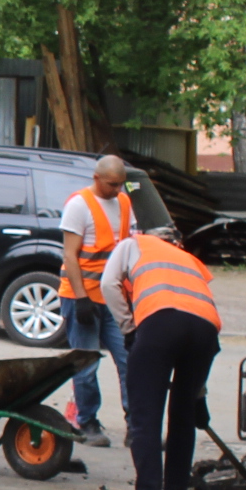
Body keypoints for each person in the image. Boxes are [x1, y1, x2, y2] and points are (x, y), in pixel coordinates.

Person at [100, 228, 223, 490]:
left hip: (161, 322)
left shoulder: (133, 244)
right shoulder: (188, 259)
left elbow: (108, 283)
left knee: (145, 415)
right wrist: (198, 393)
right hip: (207, 331)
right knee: (183, 417)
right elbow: (195, 312)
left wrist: (128, 329)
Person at [56, 154, 135, 447]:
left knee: (130, 361)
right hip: (84, 297)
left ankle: (135, 425)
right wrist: (80, 299)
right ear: (97, 178)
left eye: (121, 185)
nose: (117, 190)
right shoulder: (79, 205)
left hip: (114, 299)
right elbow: (70, 256)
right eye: (112, 185)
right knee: (86, 365)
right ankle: (87, 423)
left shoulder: (125, 202)